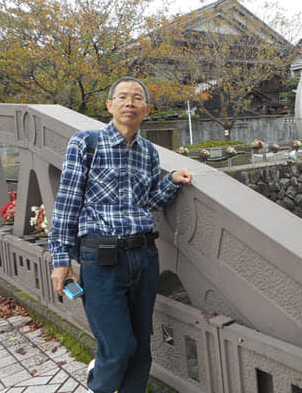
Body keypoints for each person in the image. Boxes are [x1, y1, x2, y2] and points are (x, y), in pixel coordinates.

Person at [48, 77, 192, 393]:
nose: (130, 103)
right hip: (101, 258)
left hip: (144, 256)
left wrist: (172, 181)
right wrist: (61, 260)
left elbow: (150, 202)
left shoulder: (149, 153)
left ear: (147, 109)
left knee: (141, 349)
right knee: (118, 347)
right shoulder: (86, 143)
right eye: (123, 97)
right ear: (109, 105)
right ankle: (97, 384)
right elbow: (67, 203)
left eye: (137, 98)